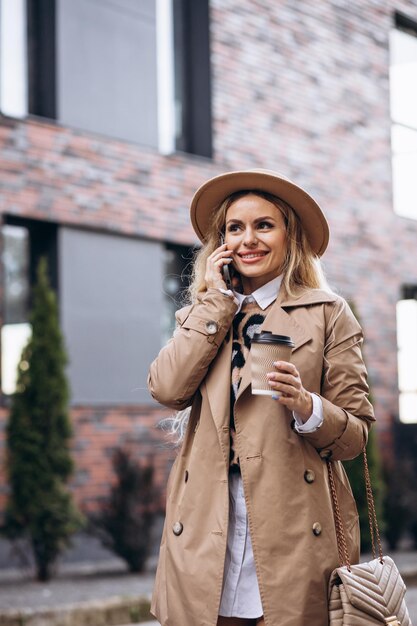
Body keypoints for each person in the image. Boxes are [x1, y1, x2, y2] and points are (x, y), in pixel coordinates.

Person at [148, 169, 375, 626]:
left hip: (293, 525)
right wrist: (216, 302)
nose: (248, 239)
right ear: (222, 243)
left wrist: (307, 406)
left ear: (289, 235)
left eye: (264, 225)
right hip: (206, 525)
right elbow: (167, 389)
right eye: (235, 228)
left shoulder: (328, 313)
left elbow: (354, 437)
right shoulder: (203, 314)